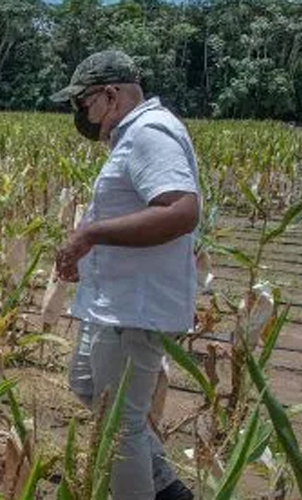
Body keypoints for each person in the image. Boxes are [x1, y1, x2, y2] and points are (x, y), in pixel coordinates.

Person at [51, 51, 198, 500]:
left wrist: (91, 234)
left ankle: (154, 491)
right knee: (86, 384)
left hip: (135, 308)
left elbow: (180, 210)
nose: (82, 114)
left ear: (109, 95)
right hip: (112, 302)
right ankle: (165, 487)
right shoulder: (134, 136)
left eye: (83, 103)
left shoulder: (150, 134)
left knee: (120, 427)